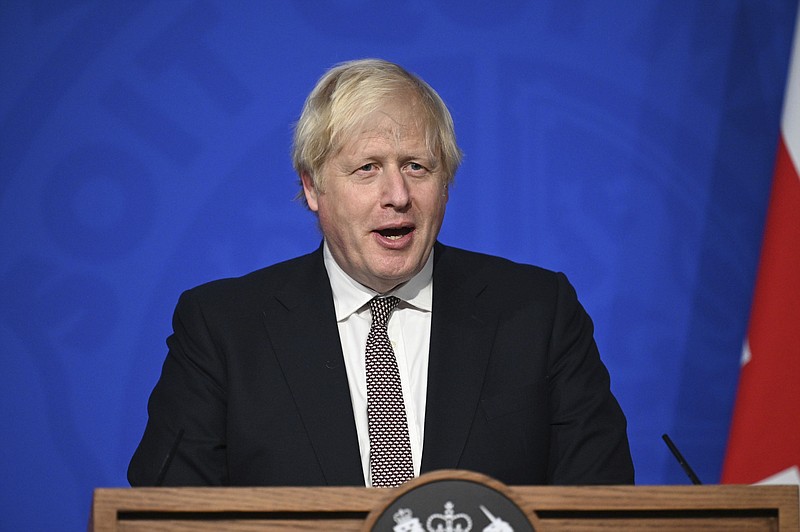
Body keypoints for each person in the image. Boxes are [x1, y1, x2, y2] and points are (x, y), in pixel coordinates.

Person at [128, 58, 634, 488]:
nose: (397, 195)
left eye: (417, 166)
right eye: (367, 168)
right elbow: (170, 508)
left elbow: (600, 505)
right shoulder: (222, 328)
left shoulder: (539, 314)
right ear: (312, 188)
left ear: (446, 183)